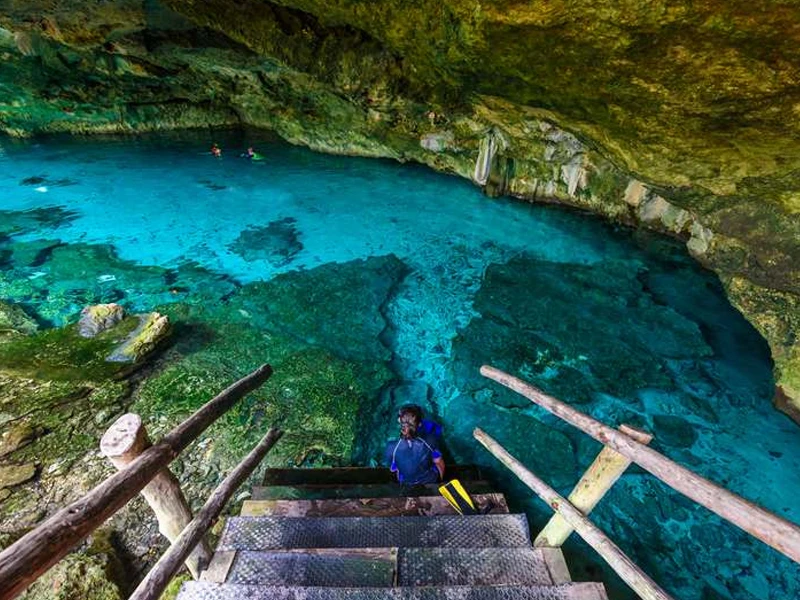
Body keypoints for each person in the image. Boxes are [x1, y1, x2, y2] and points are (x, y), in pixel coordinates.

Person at [385, 405, 445, 486]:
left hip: (406, 483)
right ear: (420, 424)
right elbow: (439, 463)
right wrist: (440, 481)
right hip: (430, 480)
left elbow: (394, 469)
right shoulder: (430, 440)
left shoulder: (391, 447)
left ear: (399, 421)